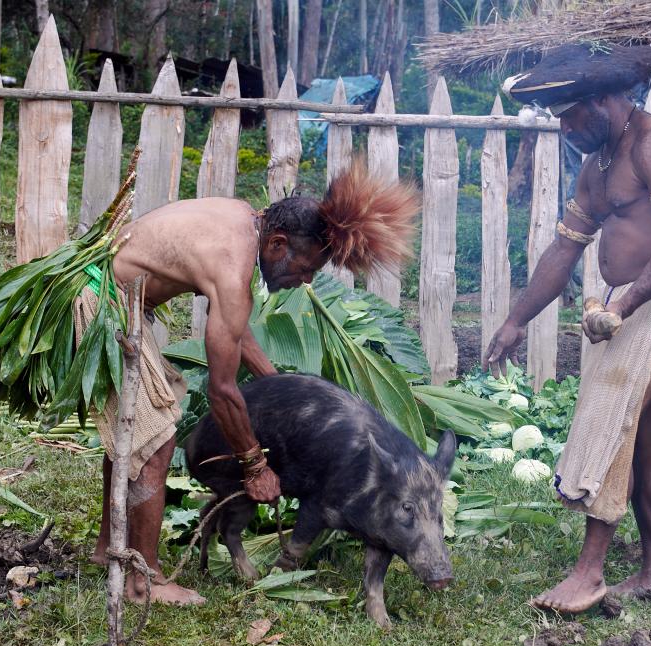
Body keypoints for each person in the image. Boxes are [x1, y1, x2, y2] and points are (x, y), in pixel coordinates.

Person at [87, 159, 418, 605]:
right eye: (306, 269)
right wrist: (255, 465)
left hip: (114, 298)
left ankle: (109, 545)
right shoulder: (232, 263)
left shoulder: (244, 219)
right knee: (156, 435)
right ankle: (143, 580)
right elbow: (221, 390)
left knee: (136, 429)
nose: (303, 282)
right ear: (279, 243)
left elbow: (236, 330)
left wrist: (281, 386)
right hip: (102, 304)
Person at [486, 43, 651, 612]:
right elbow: (565, 247)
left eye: (572, 114)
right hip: (624, 306)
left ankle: (588, 574)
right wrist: (515, 320)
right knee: (644, 432)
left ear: (605, 99)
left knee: (612, 418)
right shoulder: (597, 163)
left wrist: (627, 302)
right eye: (557, 117)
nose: (565, 128)